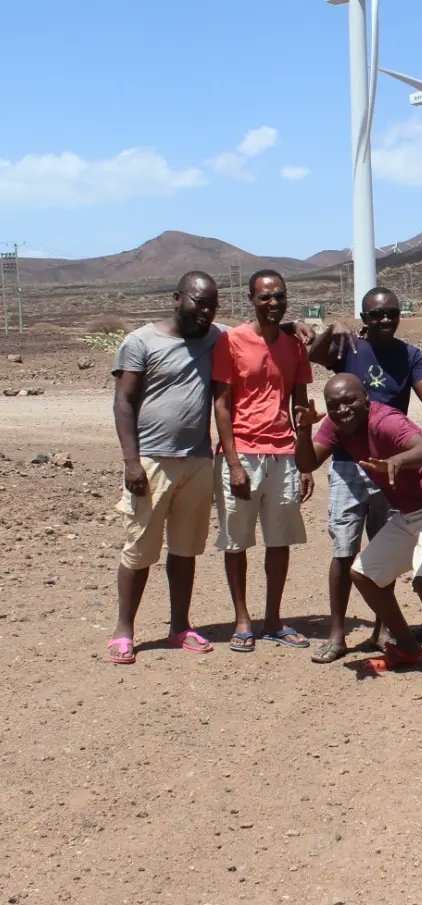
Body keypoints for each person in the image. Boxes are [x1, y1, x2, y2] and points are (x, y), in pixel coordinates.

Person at [294, 373, 422, 717]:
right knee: (364, 574)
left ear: (366, 399)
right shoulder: (337, 426)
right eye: (334, 405)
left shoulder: (386, 421)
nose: (343, 409)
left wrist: (397, 460)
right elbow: (307, 463)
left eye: (350, 401)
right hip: (413, 512)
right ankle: (407, 647)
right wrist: (304, 430)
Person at [305, 286, 422, 659]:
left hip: (391, 466)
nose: (385, 320)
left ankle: (383, 630)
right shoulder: (350, 347)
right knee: (343, 550)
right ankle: (338, 634)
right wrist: (333, 328)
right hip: (347, 463)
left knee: (384, 550)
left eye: (391, 313)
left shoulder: (410, 354)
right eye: (376, 315)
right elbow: (312, 354)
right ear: (364, 318)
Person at [106, 272, 222, 663]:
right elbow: (124, 402)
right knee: (139, 549)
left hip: (197, 460)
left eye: (212, 306)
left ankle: (180, 626)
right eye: (199, 302)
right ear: (176, 298)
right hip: (151, 461)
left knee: (185, 550)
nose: (205, 312)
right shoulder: (140, 342)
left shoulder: (215, 336)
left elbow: (254, 332)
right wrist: (131, 461)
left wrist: (296, 327)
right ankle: (124, 630)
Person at [212, 269, 314, 654]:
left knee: (279, 539)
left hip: (283, 453)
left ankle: (273, 619)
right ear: (251, 300)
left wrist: (305, 462)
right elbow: (222, 405)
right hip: (242, 452)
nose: (273, 303)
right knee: (236, 541)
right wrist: (233, 463)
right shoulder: (231, 341)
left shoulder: (295, 346)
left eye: (279, 296)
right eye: (265, 297)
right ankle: (242, 620)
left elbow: (300, 404)